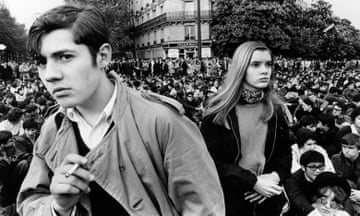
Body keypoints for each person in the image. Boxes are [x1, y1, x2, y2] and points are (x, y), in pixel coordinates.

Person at [17, 4, 224, 216]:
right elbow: (29, 203)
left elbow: (206, 209)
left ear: (103, 56)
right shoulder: (52, 128)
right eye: (42, 62)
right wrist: (58, 207)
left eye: (66, 57)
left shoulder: (162, 122)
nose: (50, 74)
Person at [201, 41, 292, 216]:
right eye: (256, 64)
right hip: (230, 200)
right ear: (241, 68)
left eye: (268, 64)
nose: (265, 70)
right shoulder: (218, 111)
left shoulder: (276, 109)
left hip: (268, 196)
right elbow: (210, 161)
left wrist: (273, 178)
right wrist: (253, 182)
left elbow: (284, 153)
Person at [331, 133, 360, 214]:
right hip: (345, 193)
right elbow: (339, 180)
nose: (346, 151)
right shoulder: (336, 159)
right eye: (344, 147)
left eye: (351, 148)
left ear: (358, 149)